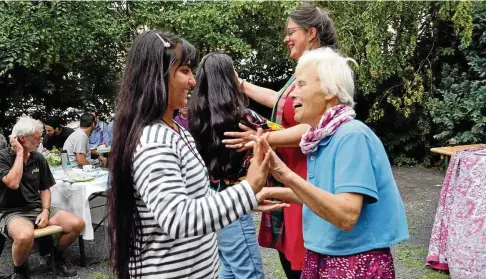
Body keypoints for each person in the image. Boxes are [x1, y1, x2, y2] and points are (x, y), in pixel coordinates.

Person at [107, 30, 284, 279]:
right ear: (157, 75)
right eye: (185, 71)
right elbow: (177, 218)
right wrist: (249, 187)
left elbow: (196, 195)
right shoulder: (154, 141)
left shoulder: (177, 130)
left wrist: (247, 200)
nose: (192, 81)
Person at [258, 48, 409, 278]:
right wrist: (272, 192)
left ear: (330, 91)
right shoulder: (322, 137)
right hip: (323, 254)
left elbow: (346, 215)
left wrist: (284, 174)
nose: (292, 95)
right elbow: (321, 196)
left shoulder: (351, 135)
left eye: (301, 85)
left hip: (354, 261)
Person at [222, 3, 338, 277]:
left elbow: (316, 126)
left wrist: (262, 139)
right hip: (289, 175)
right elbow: (281, 102)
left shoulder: (324, 69)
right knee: (291, 261)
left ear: (311, 33)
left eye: (291, 31)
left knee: (304, 262)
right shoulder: (304, 71)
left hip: (306, 173)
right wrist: (242, 85)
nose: (286, 38)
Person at [189, 53, 286, 279]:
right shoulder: (244, 118)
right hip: (236, 203)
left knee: (230, 267)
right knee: (248, 272)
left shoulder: (196, 117)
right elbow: (286, 134)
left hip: (212, 201)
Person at [0, 116, 85, 279]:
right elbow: (13, 183)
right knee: (25, 236)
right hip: (12, 211)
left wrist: (46, 211)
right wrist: (19, 155)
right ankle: (19, 271)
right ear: (22, 138)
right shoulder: (3, 157)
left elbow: (45, 188)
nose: (41, 141)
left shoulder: (38, 158)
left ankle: (56, 257)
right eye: (37, 138)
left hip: (37, 208)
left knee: (76, 224)